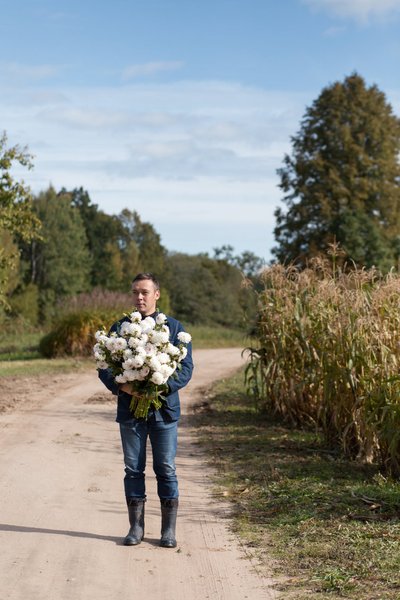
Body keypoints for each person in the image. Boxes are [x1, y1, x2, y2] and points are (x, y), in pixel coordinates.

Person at [98, 273, 194, 548]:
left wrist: (157, 388)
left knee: (165, 468)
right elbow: (104, 367)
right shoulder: (120, 327)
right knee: (133, 468)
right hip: (130, 411)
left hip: (163, 411)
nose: (139, 297)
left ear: (156, 295)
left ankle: (168, 531)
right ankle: (136, 528)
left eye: (144, 292)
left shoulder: (173, 329)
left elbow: (186, 368)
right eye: (135, 292)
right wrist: (124, 388)